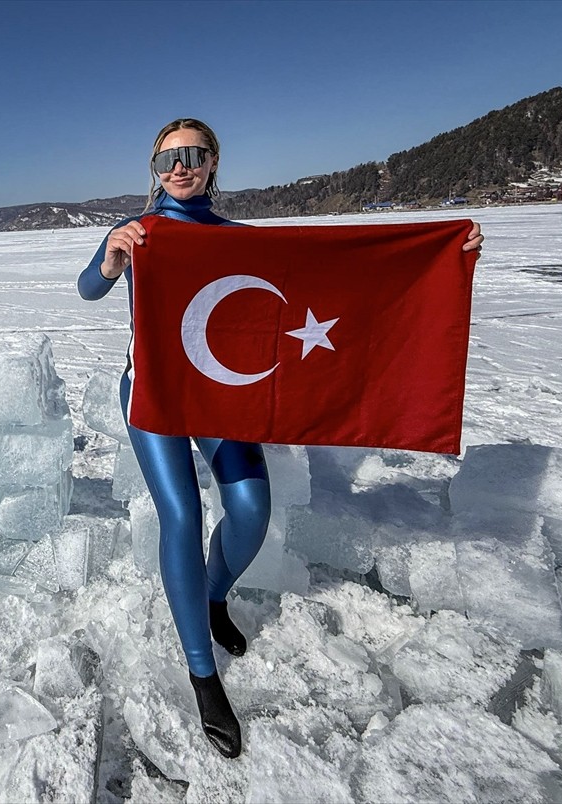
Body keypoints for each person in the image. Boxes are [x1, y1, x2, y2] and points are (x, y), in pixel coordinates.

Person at [77, 118, 483, 759]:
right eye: (166, 159)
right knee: (181, 515)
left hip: (215, 394)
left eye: (193, 155)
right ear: (153, 170)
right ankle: (203, 676)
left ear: (213, 162)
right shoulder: (142, 233)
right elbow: (88, 288)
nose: (179, 168)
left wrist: (443, 254)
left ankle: (213, 598)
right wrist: (110, 259)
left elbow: (329, 273)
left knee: (250, 508)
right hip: (153, 393)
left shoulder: (236, 241)